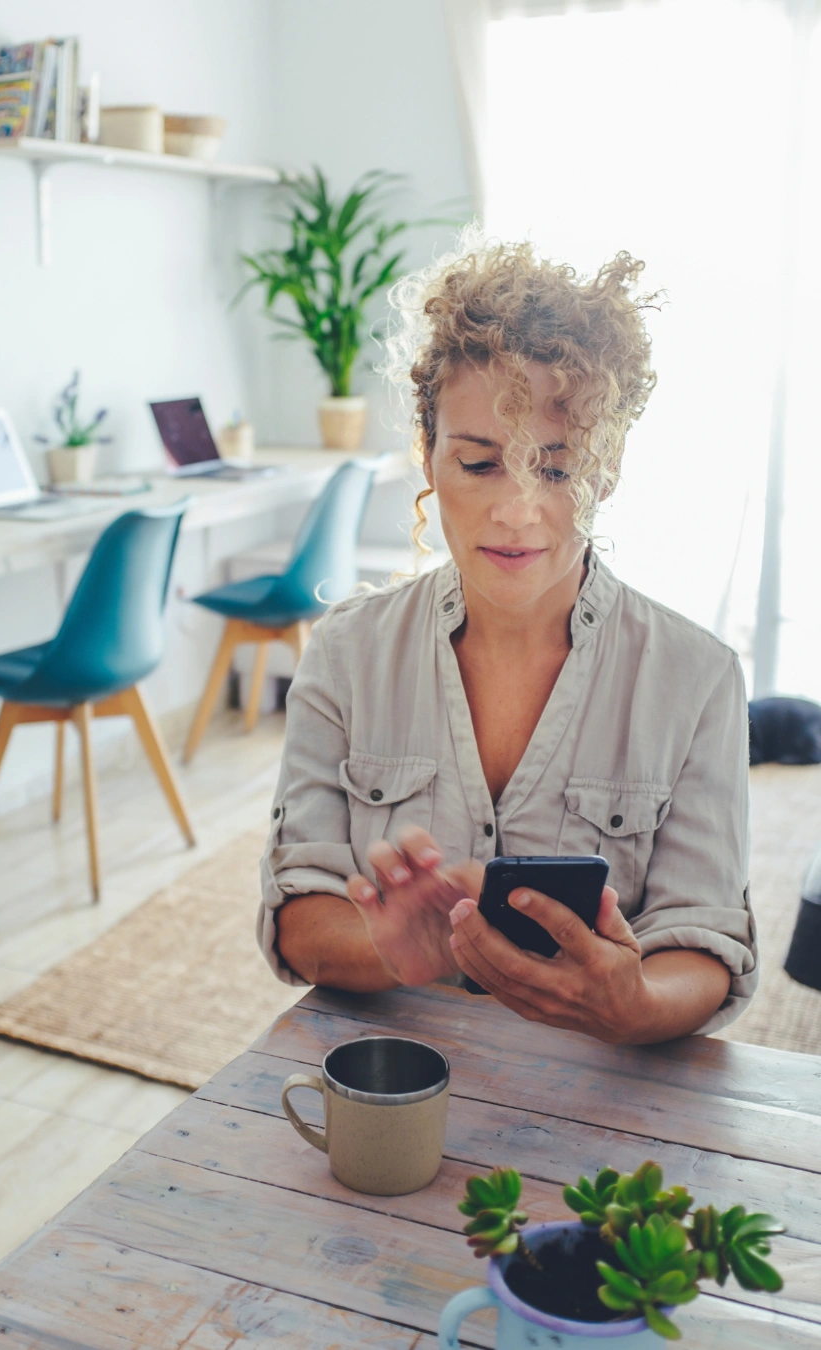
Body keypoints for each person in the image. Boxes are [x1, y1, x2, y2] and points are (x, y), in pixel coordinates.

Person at [257, 237, 757, 1044]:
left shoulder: (697, 679)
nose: (518, 510)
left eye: (555, 470)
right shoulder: (347, 655)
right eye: (480, 464)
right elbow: (298, 916)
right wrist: (393, 948)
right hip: (392, 1091)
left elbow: (704, 941)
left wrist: (634, 1003)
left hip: (597, 1100)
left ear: (609, 466)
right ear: (428, 456)